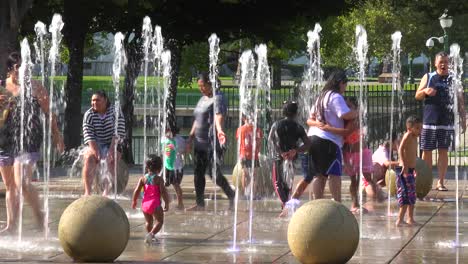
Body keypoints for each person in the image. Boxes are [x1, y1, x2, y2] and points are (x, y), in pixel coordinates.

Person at [3, 52, 64, 231]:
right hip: (4, 139)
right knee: (10, 186)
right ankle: (11, 225)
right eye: (19, 67)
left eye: (27, 67)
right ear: (10, 70)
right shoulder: (1, 87)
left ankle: (40, 214)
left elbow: (49, 113)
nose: (24, 71)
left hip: (28, 138)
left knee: (22, 182)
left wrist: (56, 135)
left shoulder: (36, 87)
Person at [293, 70, 357, 203]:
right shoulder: (335, 96)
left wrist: (317, 124)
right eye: (345, 85)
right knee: (334, 174)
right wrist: (357, 112)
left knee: (319, 175)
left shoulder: (321, 96)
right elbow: (344, 115)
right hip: (329, 141)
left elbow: (310, 119)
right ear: (340, 83)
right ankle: (337, 204)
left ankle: (318, 203)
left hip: (313, 138)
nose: (345, 88)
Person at [415, 51, 466, 191]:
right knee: (427, 151)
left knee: (444, 151)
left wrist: (463, 118)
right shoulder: (429, 77)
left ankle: (441, 182)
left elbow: (460, 100)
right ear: (435, 63)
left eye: (446, 62)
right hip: (430, 121)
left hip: (447, 121)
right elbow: (417, 95)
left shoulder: (454, 79)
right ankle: (427, 180)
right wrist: (425, 91)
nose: (443, 64)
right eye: (441, 62)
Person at [186, 72, 234, 211]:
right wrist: (190, 138)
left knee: (214, 174)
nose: (200, 89)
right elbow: (197, 120)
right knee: (198, 173)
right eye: (199, 86)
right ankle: (200, 203)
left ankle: (231, 195)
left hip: (213, 143)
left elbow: (219, 116)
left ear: (210, 84)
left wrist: (219, 130)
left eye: (202, 86)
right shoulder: (202, 99)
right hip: (199, 143)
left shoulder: (218, 98)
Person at [340, 97, 384, 212]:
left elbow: (349, 130)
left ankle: (378, 192)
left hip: (363, 152)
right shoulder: (342, 122)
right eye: (345, 107)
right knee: (354, 180)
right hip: (349, 154)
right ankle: (355, 204)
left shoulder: (356, 119)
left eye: (350, 107)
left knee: (368, 176)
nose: (347, 109)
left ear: (356, 109)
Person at [268, 101, 310, 217]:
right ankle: (286, 207)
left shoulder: (276, 125)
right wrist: (296, 151)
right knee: (288, 183)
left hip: (279, 158)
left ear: (284, 111)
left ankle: (286, 206)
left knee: (278, 183)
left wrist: (280, 152)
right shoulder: (298, 127)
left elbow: (270, 140)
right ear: (296, 113)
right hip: (292, 158)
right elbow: (307, 143)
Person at [82, 90, 125, 196]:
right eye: (92, 100)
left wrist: (111, 150)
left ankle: (107, 191)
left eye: (97, 100)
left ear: (105, 100)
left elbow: (118, 132)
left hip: (115, 142)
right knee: (89, 159)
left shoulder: (115, 111)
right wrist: (95, 150)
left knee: (111, 159)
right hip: (97, 143)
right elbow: (88, 134)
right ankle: (87, 192)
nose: (94, 103)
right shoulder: (89, 114)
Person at [132, 155, 169, 244]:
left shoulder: (143, 178)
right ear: (160, 168)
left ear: (147, 167)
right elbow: (163, 192)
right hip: (155, 204)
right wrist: (166, 203)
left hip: (145, 204)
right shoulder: (159, 179)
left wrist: (134, 201)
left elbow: (136, 190)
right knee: (160, 221)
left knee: (149, 222)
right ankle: (151, 234)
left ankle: (150, 235)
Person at [395, 116, 422, 227]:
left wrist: (414, 167)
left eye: (421, 128)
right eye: (417, 128)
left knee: (411, 195)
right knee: (405, 196)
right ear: (409, 128)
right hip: (404, 171)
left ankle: (410, 218)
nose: (419, 131)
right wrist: (404, 165)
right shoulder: (408, 135)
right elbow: (400, 149)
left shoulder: (414, 137)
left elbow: (412, 154)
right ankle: (399, 220)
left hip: (410, 170)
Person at [0, 80, 16, 234]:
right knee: (10, 185)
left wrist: (9, 105)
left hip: (16, 146)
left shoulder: (9, 94)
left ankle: (13, 224)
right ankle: (11, 225)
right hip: (2, 147)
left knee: (15, 185)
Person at [236, 114, 263, 197]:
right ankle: (253, 194)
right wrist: (258, 150)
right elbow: (259, 142)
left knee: (245, 175)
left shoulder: (240, 129)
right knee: (254, 176)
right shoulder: (257, 129)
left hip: (243, 155)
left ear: (244, 118)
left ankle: (245, 194)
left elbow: (239, 142)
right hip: (253, 155)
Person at [162, 128, 184, 210]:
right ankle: (168, 200)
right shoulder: (164, 138)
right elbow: (163, 151)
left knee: (176, 185)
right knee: (162, 184)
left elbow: (184, 150)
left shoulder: (179, 140)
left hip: (176, 167)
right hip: (166, 166)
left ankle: (180, 204)